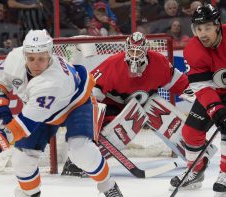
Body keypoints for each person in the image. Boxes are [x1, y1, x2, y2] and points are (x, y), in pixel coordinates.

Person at [0, 29, 125, 197]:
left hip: (76, 104)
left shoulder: (53, 81)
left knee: (80, 151)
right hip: (39, 109)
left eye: (41, 58)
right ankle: (29, 196)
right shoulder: (14, 57)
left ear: (50, 54)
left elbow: (25, 124)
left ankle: (108, 185)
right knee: (21, 157)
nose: (35, 64)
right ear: (24, 54)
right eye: (31, 58)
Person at [61, 31, 189, 176]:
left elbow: (178, 82)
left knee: (155, 108)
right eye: (132, 50)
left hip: (141, 106)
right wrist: (90, 119)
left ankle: (193, 151)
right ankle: (77, 162)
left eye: (138, 51)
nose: (134, 55)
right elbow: (92, 91)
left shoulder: (159, 62)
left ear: (146, 51)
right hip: (113, 108)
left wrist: (195, 94)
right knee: (125, 122)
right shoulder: (113, 64)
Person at [169, 4, 226, 197]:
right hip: (212, 92)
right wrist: (216, 110)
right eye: (198, 29)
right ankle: (196, 170)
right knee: (190, 133)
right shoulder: (193, 49)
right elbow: (202, 86)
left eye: (207, 28)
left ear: (218, 25)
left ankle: (225, 172)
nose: (202, 33)